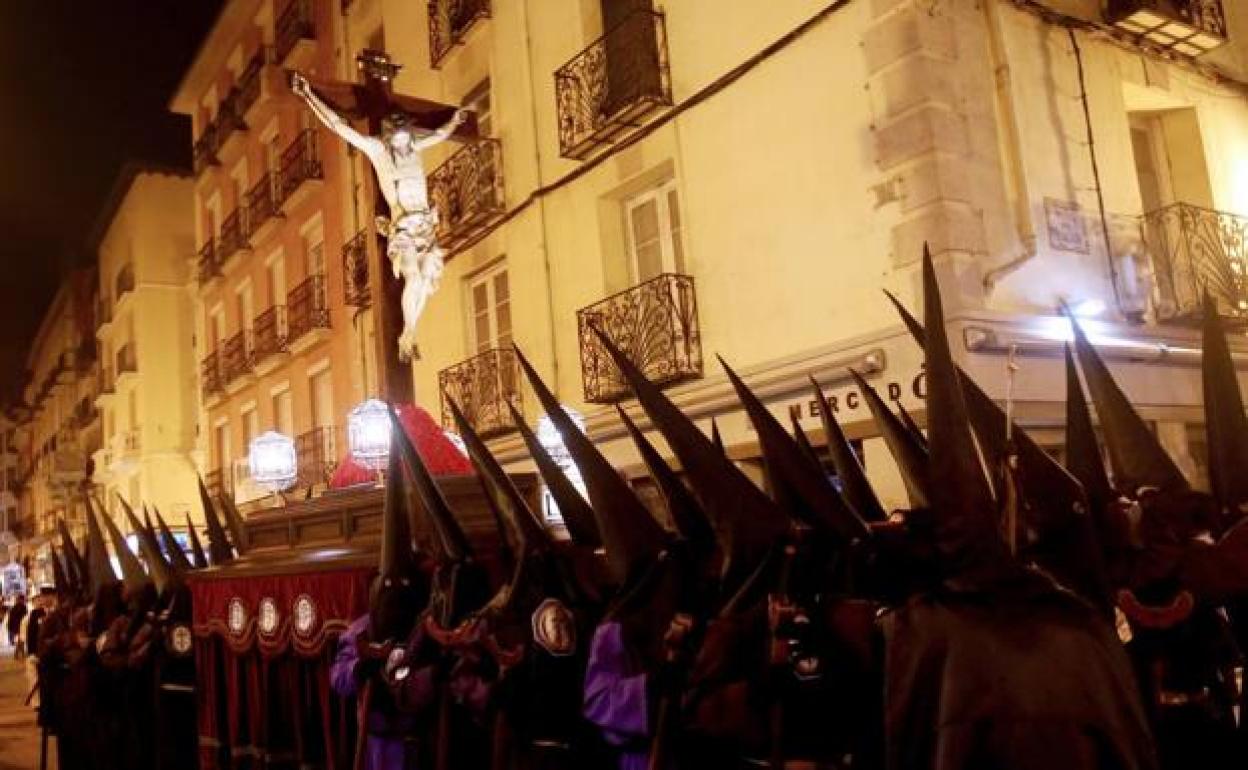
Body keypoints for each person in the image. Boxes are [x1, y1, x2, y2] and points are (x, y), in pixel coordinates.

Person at [7, 594, 26, 658]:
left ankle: (20, 653)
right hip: (19, 626)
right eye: (22, 599)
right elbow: (23, 617)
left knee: (20, 640)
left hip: (16, 626)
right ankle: (18, 654)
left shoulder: (15, 607)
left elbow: (11, 617)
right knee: (20, 640)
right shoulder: (22, 607)